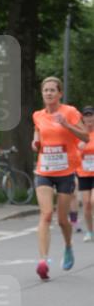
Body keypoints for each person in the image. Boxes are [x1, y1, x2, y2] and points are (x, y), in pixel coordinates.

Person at [32, 76, 88, 280]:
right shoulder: (38, 115)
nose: (48, 93)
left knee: (62, 220)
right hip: (44, 170)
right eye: (45, 90)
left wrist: (66, 125)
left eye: (52, 90)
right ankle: (43, 261)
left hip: (65, 172)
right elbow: (38, 133)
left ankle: (68, 245)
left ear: (60, 93)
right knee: (46, 214)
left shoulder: (70, 112)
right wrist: (35, 143)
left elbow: (85, 137)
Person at [75, 105, 94, 242]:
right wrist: (79, 149)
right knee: (86, 203)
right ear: (83, 119)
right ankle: (90, 231)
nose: (89, 118)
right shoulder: (79, 135)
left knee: (93, 201)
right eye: (86, 116)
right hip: (83, 173)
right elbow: (73, 155)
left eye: (91, 115)